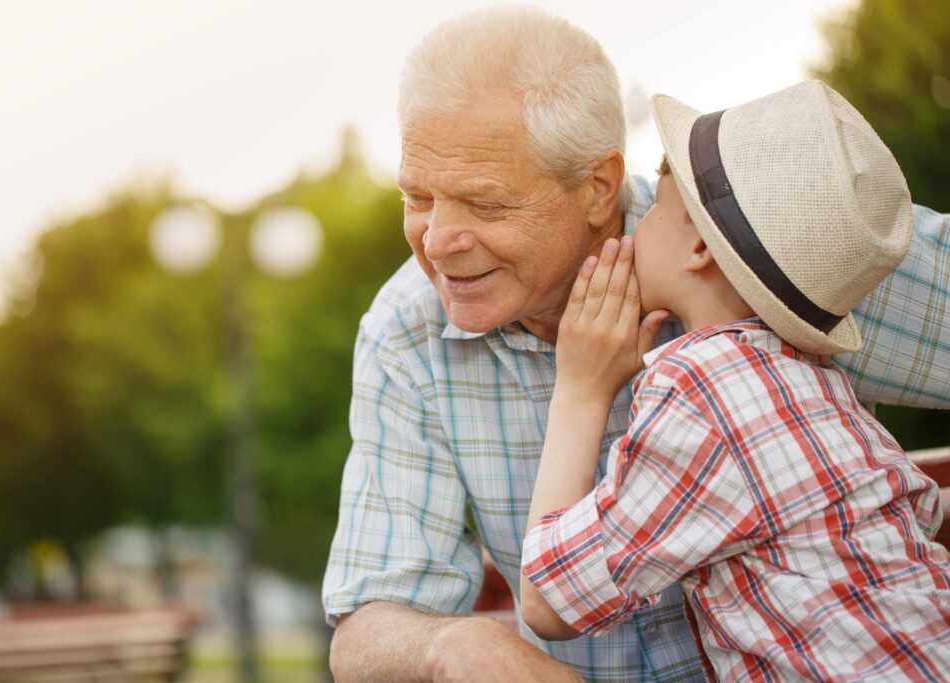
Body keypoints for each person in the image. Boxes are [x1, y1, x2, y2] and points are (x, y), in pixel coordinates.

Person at [322, 7, 950, 682]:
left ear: (598, 187)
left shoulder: (782, 237)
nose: (437, 242)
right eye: (417, 197)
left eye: (485, 204)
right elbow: (368, 619)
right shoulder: (406, 332)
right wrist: (452, 646)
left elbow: (553, 594)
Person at [518, 80, 950, 681]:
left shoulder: (701, 392)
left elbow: (549, 599)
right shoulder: (814, 379)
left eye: (656, 209)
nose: (633, 231)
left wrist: (580, 390)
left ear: (699, 245)